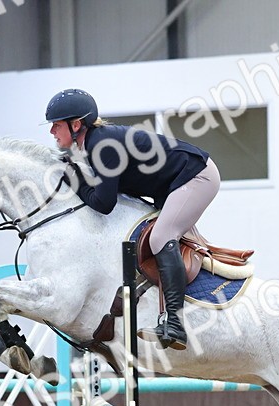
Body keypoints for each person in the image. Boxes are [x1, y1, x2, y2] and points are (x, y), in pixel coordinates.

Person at [45, 88, 221, 350]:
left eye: (56, 125)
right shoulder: (93, 144)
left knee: (162, 236)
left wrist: (76, 182)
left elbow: (104, 204)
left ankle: (174, 322)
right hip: (173, 184)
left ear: (76, 124)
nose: (52, 132)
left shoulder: (101, 146)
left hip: (196, 176)